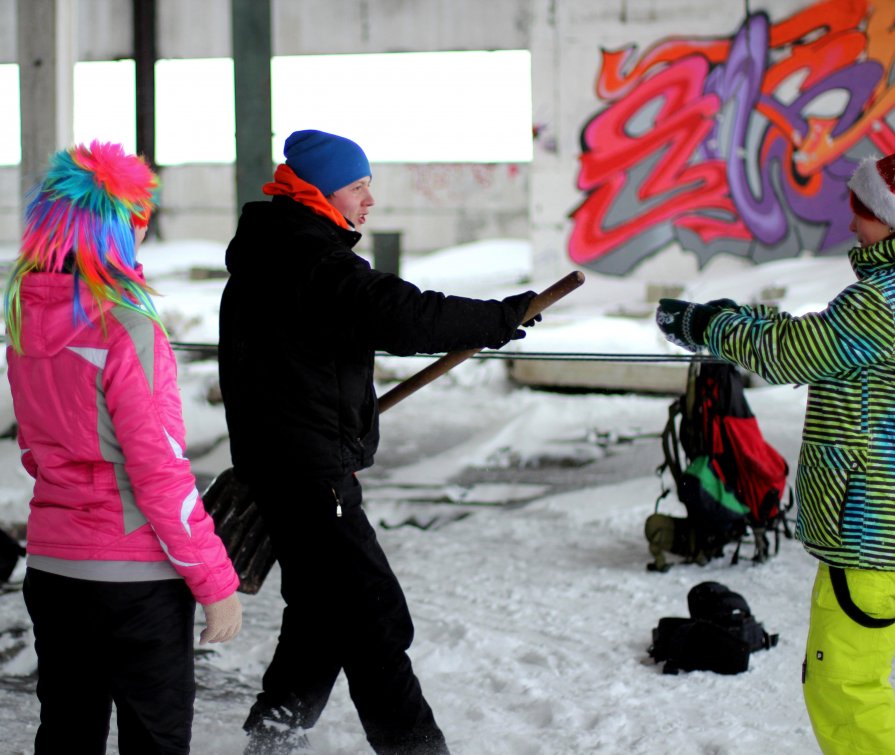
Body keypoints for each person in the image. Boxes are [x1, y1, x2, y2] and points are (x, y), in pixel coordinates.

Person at [218, 129, 540, 754]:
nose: (370, 199)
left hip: (286, 467)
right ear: (321, 189)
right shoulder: (312, 260)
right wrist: (498, 318)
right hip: (310, 477)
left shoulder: (268, 254)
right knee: (372, 618)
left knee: (320, 610)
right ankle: (415, 748)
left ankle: (274, 734)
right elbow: (404, 313)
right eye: (358, 185)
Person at [4, 141, 242, 754]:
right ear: (116, 231)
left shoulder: (23, 326)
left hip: (54, 570)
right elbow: (159, 472)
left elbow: (36, 451)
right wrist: (214, 582)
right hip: (135, 583)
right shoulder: (127, 329)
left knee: (66, 735)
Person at [655, 152, 895, 754]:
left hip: (874, 535)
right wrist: (741, 318)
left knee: (846, 686)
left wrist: (707, 326)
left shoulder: (882, 303)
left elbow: (794, 351)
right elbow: (818, 337)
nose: (852, 227)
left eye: (862, 214)